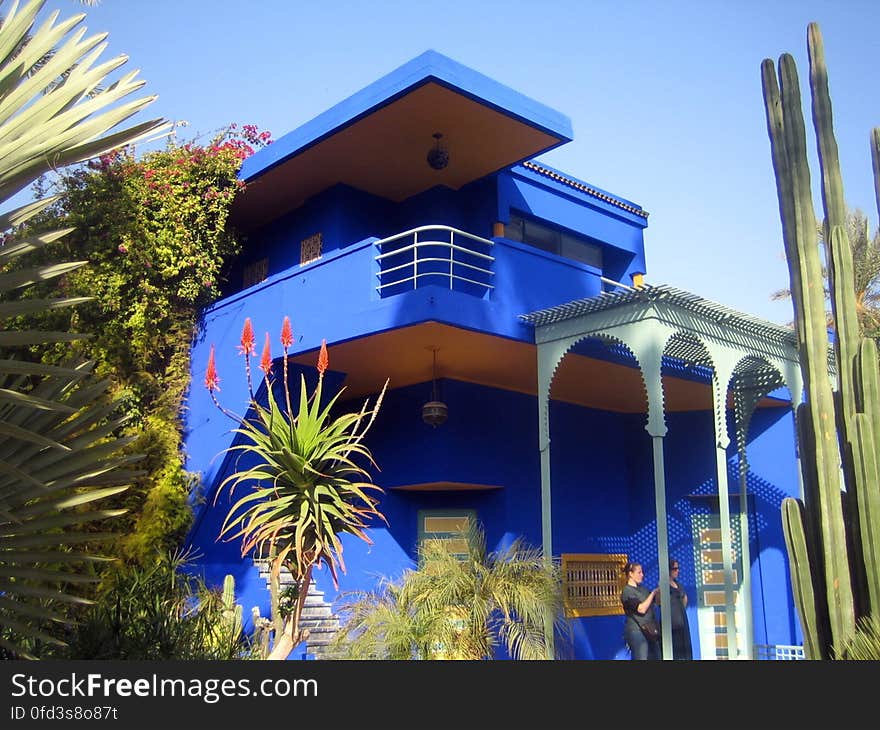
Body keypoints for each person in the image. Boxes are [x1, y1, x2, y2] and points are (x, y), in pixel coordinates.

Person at [620, 561, 661, 660]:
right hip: (637, 630)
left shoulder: (643, 589)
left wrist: (659, 590)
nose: (642, 575)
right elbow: (641, 609)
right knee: (641, 656)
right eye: (639, 572)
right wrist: (653, 594)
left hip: (650, 630)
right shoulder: (627, 591)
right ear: (630, 574)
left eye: (642, 572)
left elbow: (657, 602)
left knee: (657, 656)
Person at [666, 558, 693, 660]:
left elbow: (684, 598)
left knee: (685, 650)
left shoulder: (678, 584)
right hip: (672, 622)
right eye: (675, 569)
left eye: (678, 568)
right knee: (676, 651)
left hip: (681, 619)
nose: (678, 571)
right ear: (668, 570)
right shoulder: (664, 585)